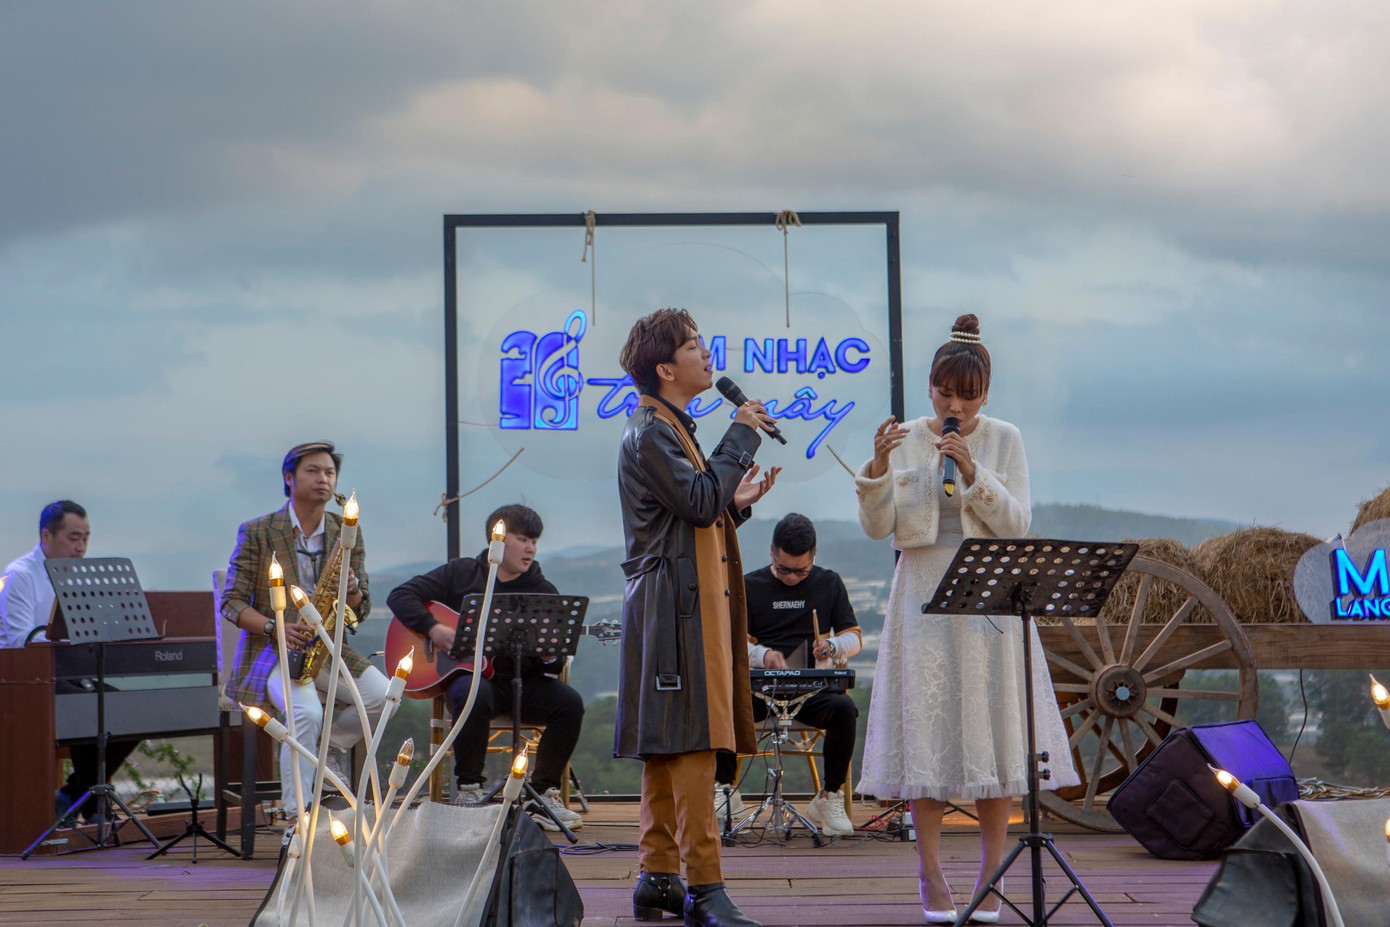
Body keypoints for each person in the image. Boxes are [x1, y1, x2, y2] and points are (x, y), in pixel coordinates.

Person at [855, 314, 1079, 924]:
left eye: (968, 396)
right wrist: (876, 471)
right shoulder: (904, 436)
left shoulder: (1005, 438)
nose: (954, 406)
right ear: (930, 386)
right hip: (922, 594)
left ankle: (991, 876)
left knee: (993, 736)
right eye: (944, 392)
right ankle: (929, 875)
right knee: (927, 735)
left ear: (986, 394)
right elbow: (878, 529)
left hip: (989, 598)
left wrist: (974, 472)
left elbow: (1017, 524)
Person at [615, 308, 781, 927]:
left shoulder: (667, 427)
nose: (707, 355)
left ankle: (658, 876)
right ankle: (705, 888)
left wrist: (732, 504)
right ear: (665, 368)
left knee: (670, 743)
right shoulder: (651, 432)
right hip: (674, 607)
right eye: (693, 347)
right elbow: (698, 500)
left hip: (675, 602)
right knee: (692, 743)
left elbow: (692, 512)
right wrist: (740, 435)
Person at [386, 504, 584, 833]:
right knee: (472, 691)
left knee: (570, 703)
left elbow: (554, 662)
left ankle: (543, 795)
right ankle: (469, 789)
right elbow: (400, 595)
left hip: (522, 683)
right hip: (475, 683)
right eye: (523, 540)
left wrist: (551, 656)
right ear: (498, 541)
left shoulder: (542, 591)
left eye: (535, 541)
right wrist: (433, 628)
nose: (531, 549)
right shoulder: (461, 574)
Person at [220, 442, 387, 819]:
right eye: (313, 471)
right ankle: (296, 816)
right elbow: (231, 602)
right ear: (289, 478)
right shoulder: (258, 531)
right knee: (307, 713)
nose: (323, 479)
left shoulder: (347, 530)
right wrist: (274, 627)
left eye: (330, 472)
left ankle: (326, 753)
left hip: (326, 646)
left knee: (383, 697)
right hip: (274, 649)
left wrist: (353, 589)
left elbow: (360, 608)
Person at [714, 513, 861, 837]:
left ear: (814, 556)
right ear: (771, 552)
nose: (792, 577)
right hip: (760, 690)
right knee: (723, 702)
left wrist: (832, 646)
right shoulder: (749, 586)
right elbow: (731, 643)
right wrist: (763, 655)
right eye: (783, 569)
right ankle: (725, 790)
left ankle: (829, 796)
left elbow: (853, 637)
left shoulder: (829, 583)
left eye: (801, 571)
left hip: (811, 692)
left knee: (844, 710)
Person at [1, 500, 141, 820]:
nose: (81, 547)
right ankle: (86, 803)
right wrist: (65, 641)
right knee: (88, 709)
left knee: (131, 711)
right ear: (46, 536)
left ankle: (73, 795)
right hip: (24, 681)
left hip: (67, 673)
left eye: (86, 538)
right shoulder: (20, 575)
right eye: (73, 537)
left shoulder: (78, 577)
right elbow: (20, 641)